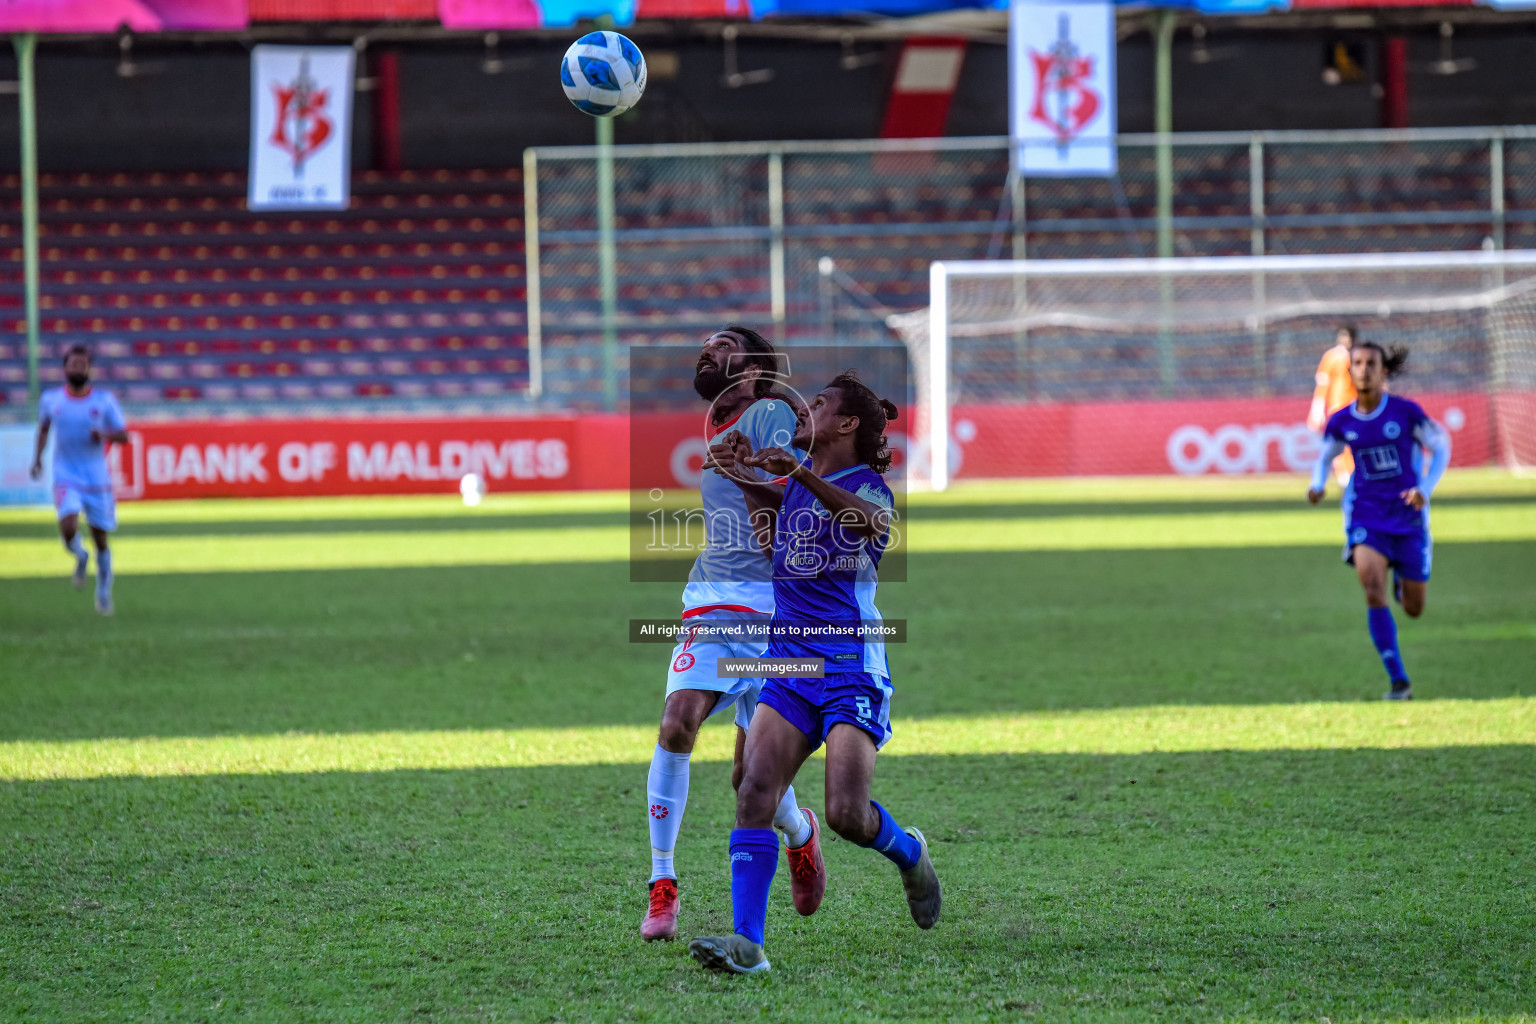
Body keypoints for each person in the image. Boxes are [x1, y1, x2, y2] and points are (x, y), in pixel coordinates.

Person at [688, 371, 939, 976]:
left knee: (845, 815)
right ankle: (748, 942)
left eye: (819, 404)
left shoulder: (870, 488)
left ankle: (909, 853)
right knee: (752, 788)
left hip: (851, 661)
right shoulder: (801, 487)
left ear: (847, 424)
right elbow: (777, 549)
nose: (805, 410)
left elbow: (870, 527)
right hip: (791, 662)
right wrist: (743, 475)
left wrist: (792, 474)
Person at [640, 327, 827, 943]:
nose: (706, 349)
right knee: (676, 723)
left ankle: (800, 834)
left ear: (751, 371)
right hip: (715, 606)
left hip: (781, 613)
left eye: (722, 345)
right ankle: (661, 883)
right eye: (705, 342)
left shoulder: (769, 415)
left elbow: (797, 496)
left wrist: (763, 458)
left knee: (750, 779)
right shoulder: (727, 412)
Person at [1307, 342, 1451, 701]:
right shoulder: (1342, 420)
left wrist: (1425, 488)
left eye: (1372, 363)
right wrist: (1316, 484)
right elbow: (1326, 456)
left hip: (1408, 518)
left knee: (1414, 609)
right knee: (1372, 588)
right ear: (1350, 370)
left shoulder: (1405, 413)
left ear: (1383, 371)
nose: (1364, 369)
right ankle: (1399, 680)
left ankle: (1404, 582)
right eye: (1357, 363)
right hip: (1367, 516)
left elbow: (1441, 445)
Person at [30, 345, 128, 616]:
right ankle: (79, 555)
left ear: (89, 368)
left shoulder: (104, 401)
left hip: (97, 480)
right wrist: (37, 459)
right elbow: (43, 429)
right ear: (65, 368)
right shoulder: (51, 400)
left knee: (101, 539)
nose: (77, 369)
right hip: (66, 476)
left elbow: (124, 436)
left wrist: (105, 435)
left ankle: (104, 591)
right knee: (68, 526)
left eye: (82, 364)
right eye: (73, 364)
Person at [1308, 324, 1359, 485]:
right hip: (1337, 407)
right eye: (1343, 336)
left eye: (1348, 337)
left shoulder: (1359, 355)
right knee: (1339, 442)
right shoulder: (1331, 357)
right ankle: (1344, 476)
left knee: (1357, 441)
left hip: (1357, 407)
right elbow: (1323, 383)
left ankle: (1355, 473)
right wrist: (1317, 409)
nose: (1345, 340)